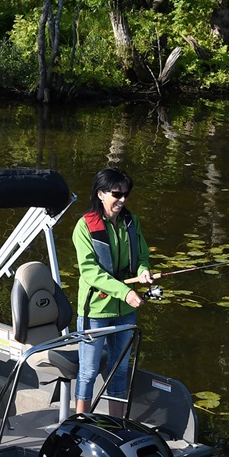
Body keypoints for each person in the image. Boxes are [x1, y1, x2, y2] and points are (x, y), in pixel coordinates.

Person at [71, 168, 153, 418]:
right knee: (88, 371)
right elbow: (90, 272)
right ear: (101, 194)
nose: (122, 199)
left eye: (126, 194)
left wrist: (144, 271)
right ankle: (80, 424)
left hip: (125, 311)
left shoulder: (131, 222)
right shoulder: (84, 226)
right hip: (95, 311)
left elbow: (142, 256)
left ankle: (115, 424)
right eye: (117, 194)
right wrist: (125, 292)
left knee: (119, 370)